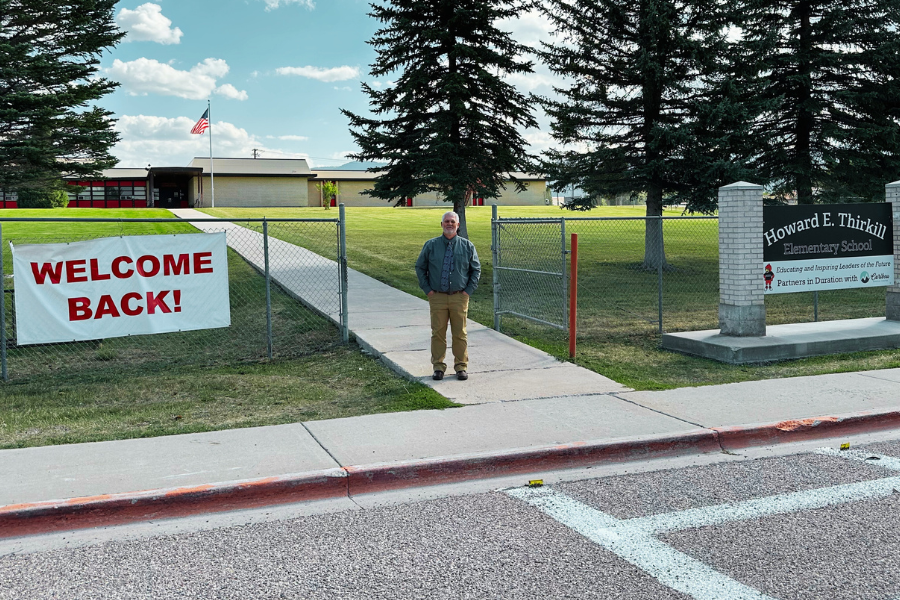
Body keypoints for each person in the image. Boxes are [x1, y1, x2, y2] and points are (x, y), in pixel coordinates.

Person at [415, 211, 481, 381]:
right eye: (446, 221)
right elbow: (420, 267)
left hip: (459, 297)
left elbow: (476, 270)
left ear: (458, 225)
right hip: (437, 296)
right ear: (441, 224)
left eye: (452, 221)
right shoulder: (431, 245)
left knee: (460, 333)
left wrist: (467, 291)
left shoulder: (467, 246)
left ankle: (461, 366)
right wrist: (428, 290)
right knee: (438, 333)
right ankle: (438, 367)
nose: (449, 224)